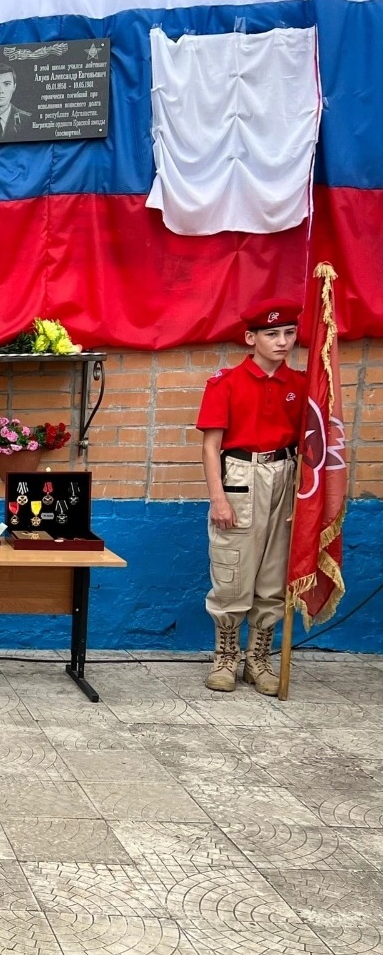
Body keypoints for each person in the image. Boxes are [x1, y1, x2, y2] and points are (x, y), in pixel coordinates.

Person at [196, 298, 306, 695]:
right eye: (271, 334)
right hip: (242, 476)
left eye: (289, 333)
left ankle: (258, 658)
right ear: (250, 338)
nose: (282, 341)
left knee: (274, 573)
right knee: (233, 568)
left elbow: (311, 445)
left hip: (286, 475)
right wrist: (218, 498)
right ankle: (226, 656)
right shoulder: (225, 384)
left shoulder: (301, 385)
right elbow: (211, 447)